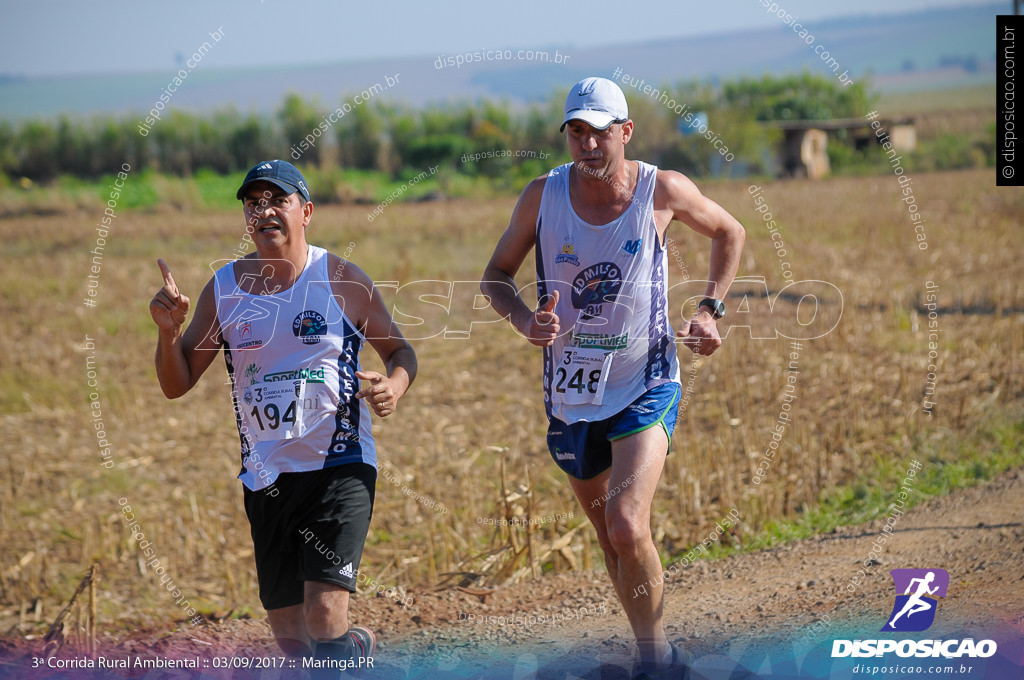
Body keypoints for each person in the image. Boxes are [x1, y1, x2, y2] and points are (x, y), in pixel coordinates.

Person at [480, 77, 745, 678]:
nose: (589, 144)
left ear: (625, 133)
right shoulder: (540, 197)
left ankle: (658, 661)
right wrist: (525, 321)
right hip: (572, 394)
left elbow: (732, 232)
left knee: (628, 523)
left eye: (601, 132)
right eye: (578, 131)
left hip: (647, 380)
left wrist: (710, 309)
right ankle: (648, 648)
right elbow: (495, 274)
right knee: (610, 539)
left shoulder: (663, 190)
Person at [149, 159, 416, 674]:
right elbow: (176, 384)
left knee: (322, 613)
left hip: (340, 467)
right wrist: (166, 332)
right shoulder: (224, 290)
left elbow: (401, 351)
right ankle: (354, 652)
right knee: (292, 639)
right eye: (253, 203)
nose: (264, 211)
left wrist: (394, 386)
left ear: (306, 211)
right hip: (268, 478)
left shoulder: (340, 278)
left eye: (278, 200)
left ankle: (342, 649)